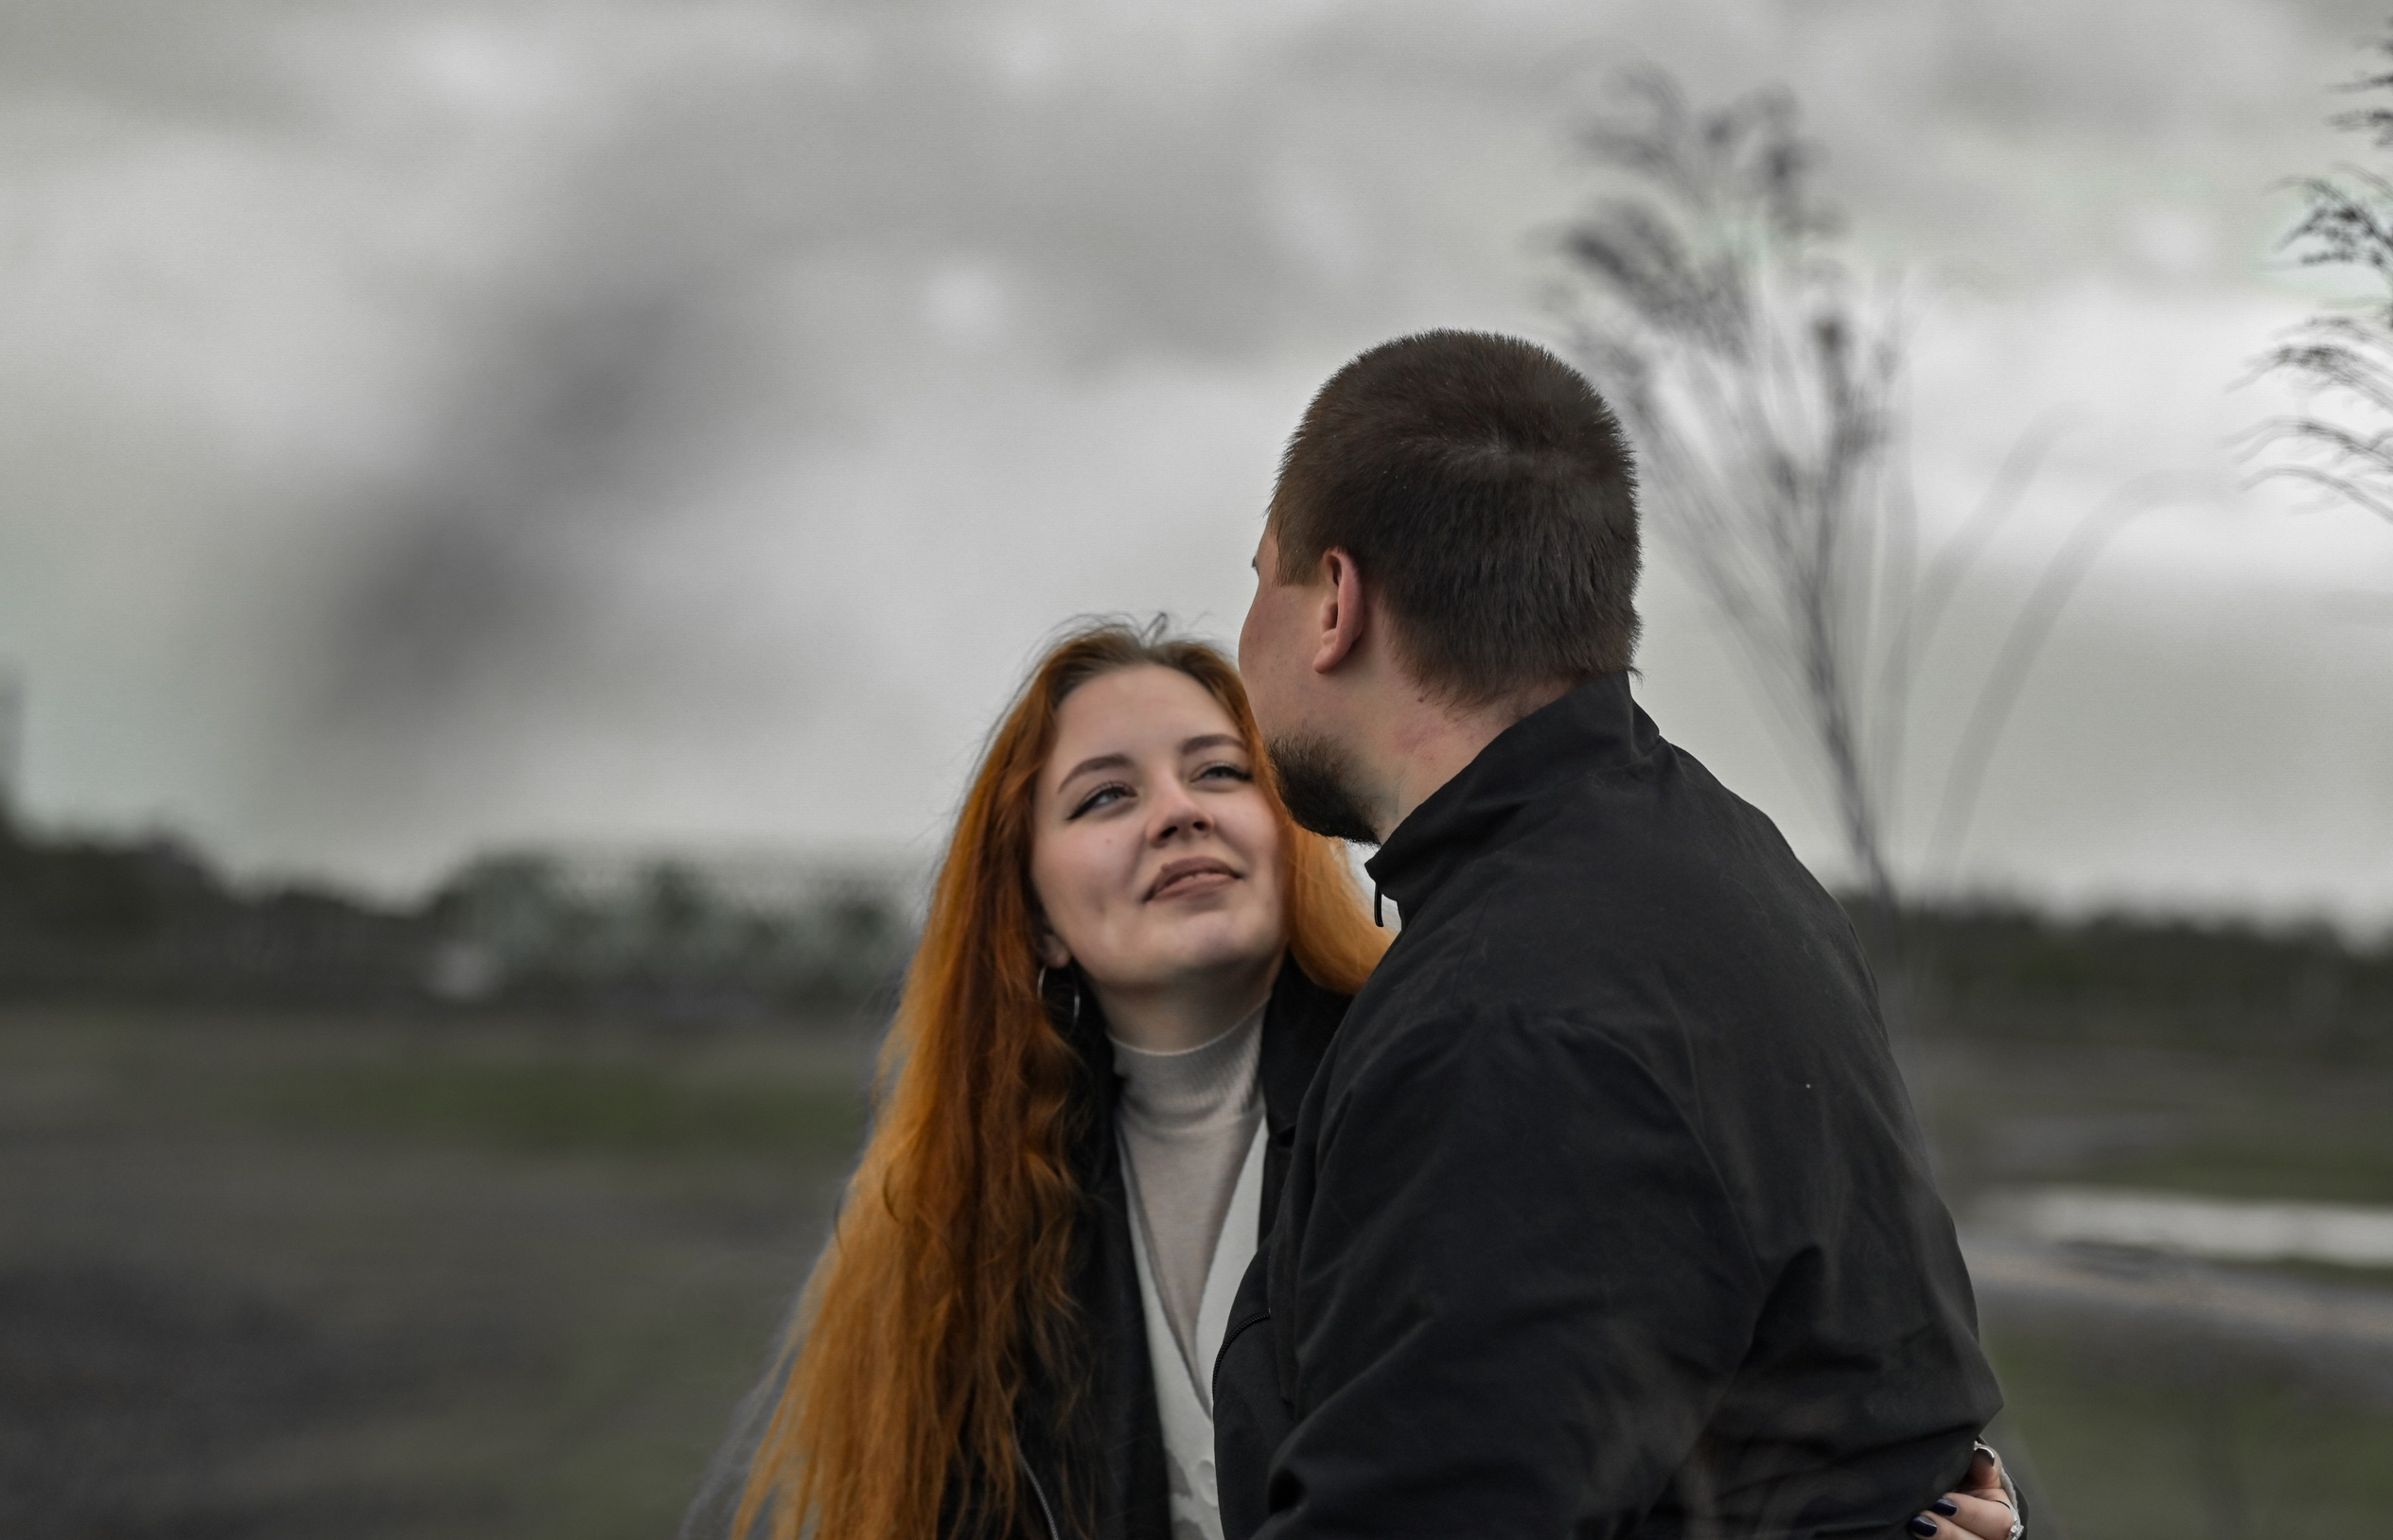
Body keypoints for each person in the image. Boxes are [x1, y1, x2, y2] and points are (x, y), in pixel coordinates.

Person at [684, 619, 2021, 1540]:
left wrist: (1928, 1504)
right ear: (1032, 916)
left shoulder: (1468, 1075)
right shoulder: (978, 1215)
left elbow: (1777, 1349)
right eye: (1103, 796)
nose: (1179, 809)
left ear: (1292, 828)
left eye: (1222, 770)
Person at [1223, 328, 2018, 1540]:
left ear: (1335, 601)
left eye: (1259, 577)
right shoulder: (1725, 859)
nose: (1246, 641)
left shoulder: (1503, 1021)